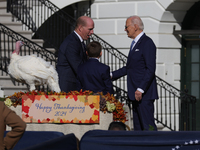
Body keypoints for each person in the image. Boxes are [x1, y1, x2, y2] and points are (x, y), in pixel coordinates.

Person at [112, 15, 158, 131]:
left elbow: (150, 69)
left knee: (148, 127)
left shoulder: (147, 43)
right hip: (135, 94)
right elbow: (129, 68)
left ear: (136, 26)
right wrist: (110, 75)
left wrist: (141, 89)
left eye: (126, 26)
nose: (125, 29)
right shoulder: (135, 44)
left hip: (143, 94)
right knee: (138, 128)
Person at [56, 16, 94, 93]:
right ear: (80, 28)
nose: (92, 32)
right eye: (90, 29)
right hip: (68, 88)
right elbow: (78, 67)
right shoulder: (72, 42)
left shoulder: (77, 41)